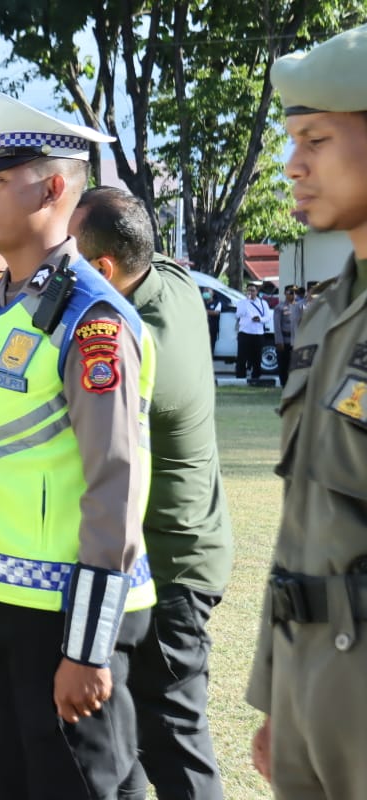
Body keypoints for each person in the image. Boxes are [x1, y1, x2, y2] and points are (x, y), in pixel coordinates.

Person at [0, 87, 156, 799]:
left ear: (55, 186)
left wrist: (87, 648)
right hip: (0, 609)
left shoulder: (90, 320)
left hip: (66, 619)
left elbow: (114, 486)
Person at [72, 186, 233, 800]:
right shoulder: (168, 281)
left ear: (105, 270)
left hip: (170, 569)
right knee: (130, 743)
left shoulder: (136, 350)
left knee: (173, 744)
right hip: (176, 557)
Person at [247, 23, 367, 799]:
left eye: (316, 138)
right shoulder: (330, 312)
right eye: (292, 140)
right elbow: (303, 517)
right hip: (313, 678)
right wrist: (274, 689)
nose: (293, 164)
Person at [235, 282, 270, 381]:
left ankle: (256, 376)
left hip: (258, 333)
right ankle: (240, 377)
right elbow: (238, 315)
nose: (251, 292)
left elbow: (267, 317)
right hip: (244, 333)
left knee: (257, 357)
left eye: (253, 290)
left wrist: (260, 319)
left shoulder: (263, 303)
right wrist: (247, 302)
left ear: (257, 292)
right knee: (242, 356)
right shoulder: (242, 302)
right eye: (249, 290)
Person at [273, 285, 304, 387]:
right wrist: (279, 341)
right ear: (285, 293)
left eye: (295, 293)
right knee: (283, 365)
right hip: (284, 341)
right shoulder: (280, 307)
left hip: (296, 341)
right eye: (290, 292)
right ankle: (284, 385)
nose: (293, 295)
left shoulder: (300, 307)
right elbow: (277, 326)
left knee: (295, 365)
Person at [203, 287, 223, 354]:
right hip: (202, 329)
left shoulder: (217, 303)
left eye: (207, 291)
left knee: (211, 347)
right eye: (204, 291)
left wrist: (203, 311)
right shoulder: (200, 302)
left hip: (212, 329)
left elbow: (216, 313)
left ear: (213, 293)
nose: (205, 292)